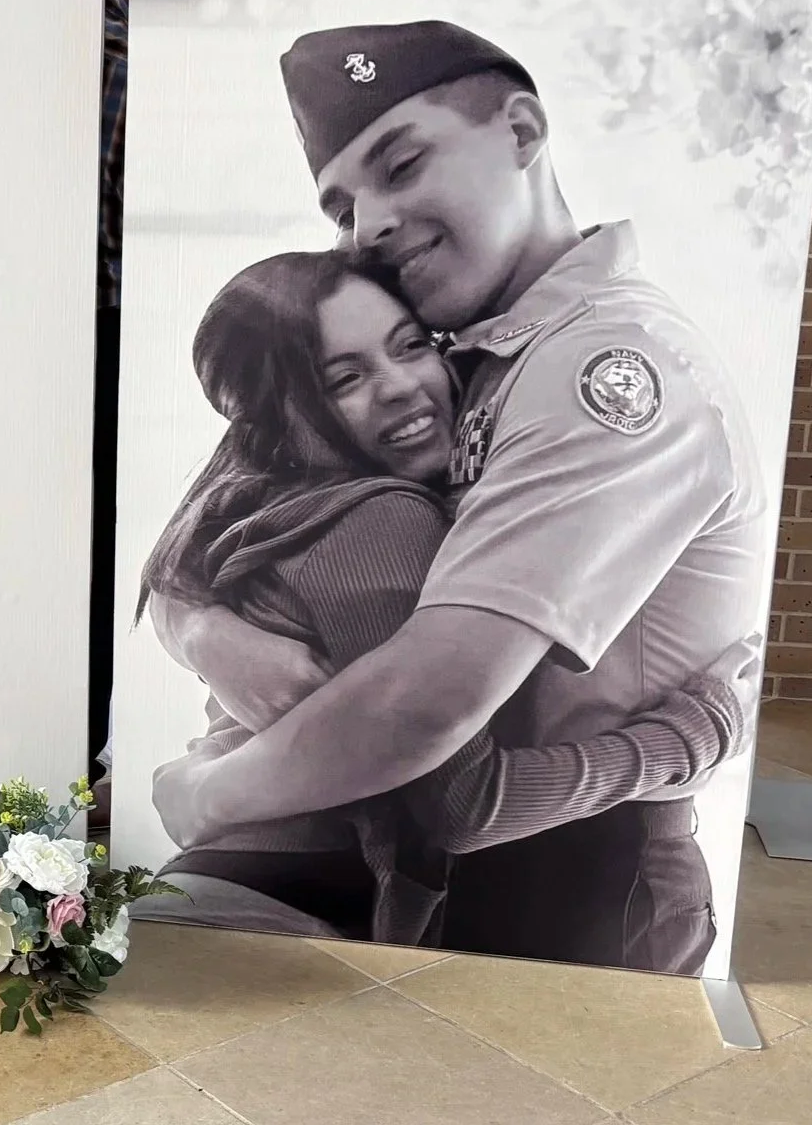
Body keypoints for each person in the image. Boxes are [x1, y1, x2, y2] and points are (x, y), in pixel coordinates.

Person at [154, 20, 770, 974]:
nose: (369, 226)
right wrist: (197, 624)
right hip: (454, 863)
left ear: (520, 131)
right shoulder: (460, 348)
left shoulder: (600, 370)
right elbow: (220, 506)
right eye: (341, 206)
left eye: (399, 167)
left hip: (583, 866)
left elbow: (420, 711)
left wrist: (210, 794)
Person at [138, 251, 751, 945]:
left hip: (244, 901)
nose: (400, 387)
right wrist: (698, 733)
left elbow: (171, 582)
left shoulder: (269, 506)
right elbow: (465, 803)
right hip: (268, 915)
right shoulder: (380, 516)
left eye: (409, 347)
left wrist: (196, 630)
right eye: (343, 379)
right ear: (277, 419)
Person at [93, 0, 204, 811]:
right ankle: (103, 753)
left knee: (127, 552)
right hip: (116, 339)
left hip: (135, 337)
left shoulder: (162, 47)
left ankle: (105, 752)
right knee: (115, 552)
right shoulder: (134, 48)